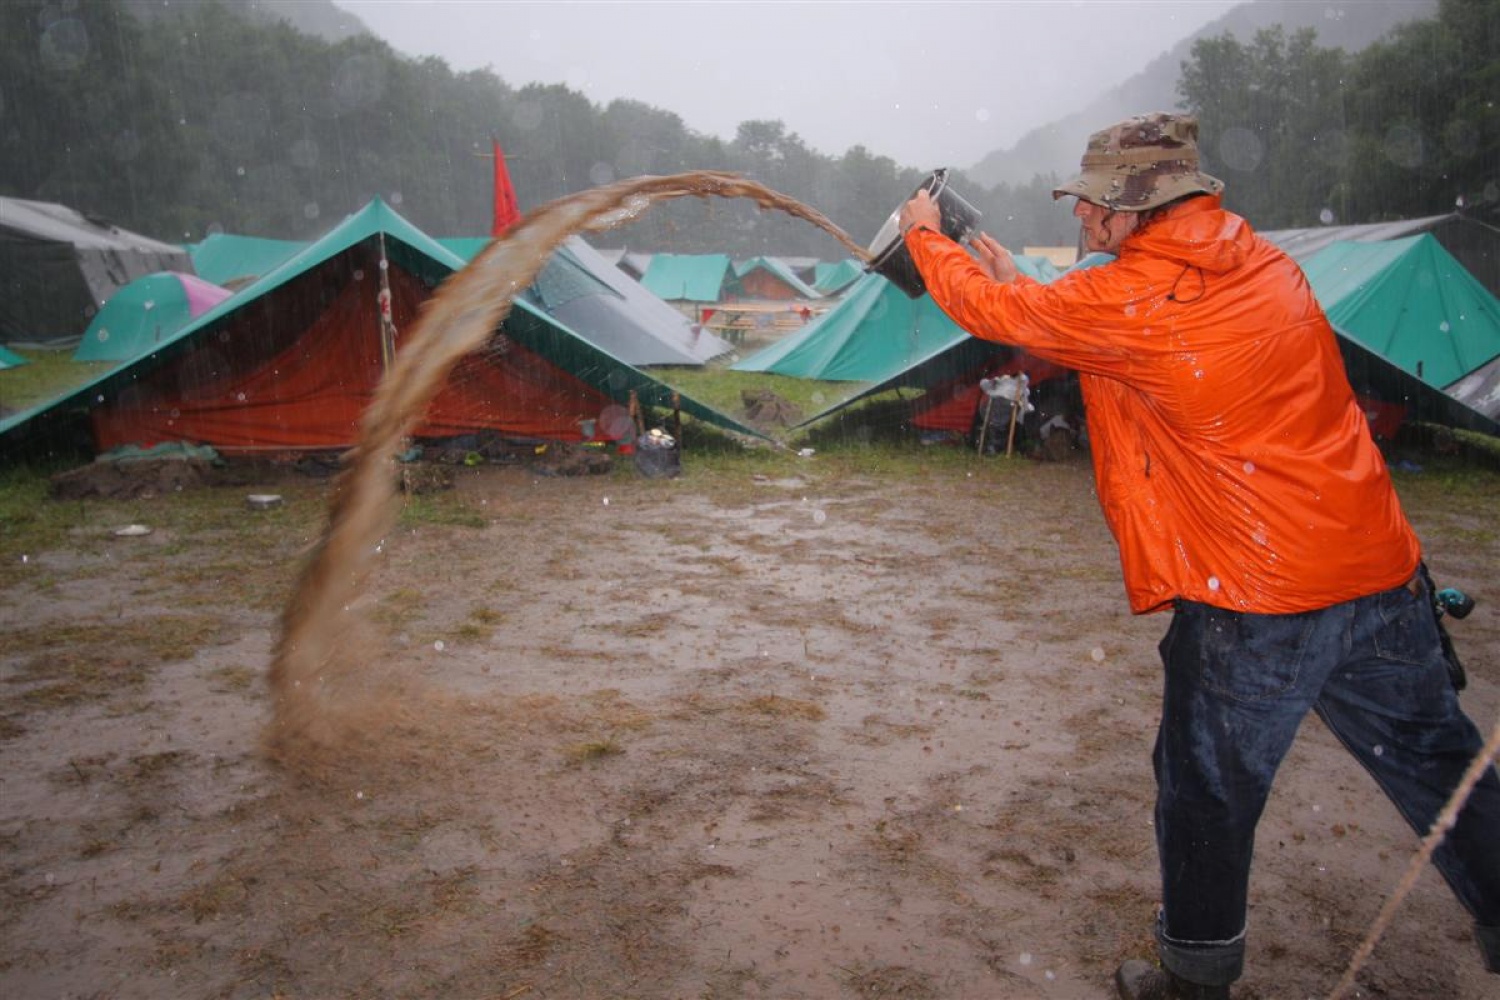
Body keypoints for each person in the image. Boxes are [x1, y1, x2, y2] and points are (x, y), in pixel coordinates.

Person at [897, 112, 1500, 999]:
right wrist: (1023, 281)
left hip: (1255, 594)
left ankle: (1196, 975)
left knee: (1206, 792)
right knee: (1440, 764)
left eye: (1092, 207)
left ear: (1125, 209)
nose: (1082, 221)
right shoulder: (1262, 264)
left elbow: (1021, 315)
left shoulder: (1136, 298)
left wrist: (920, 231)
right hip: (1377, 571)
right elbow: (1106, 325)